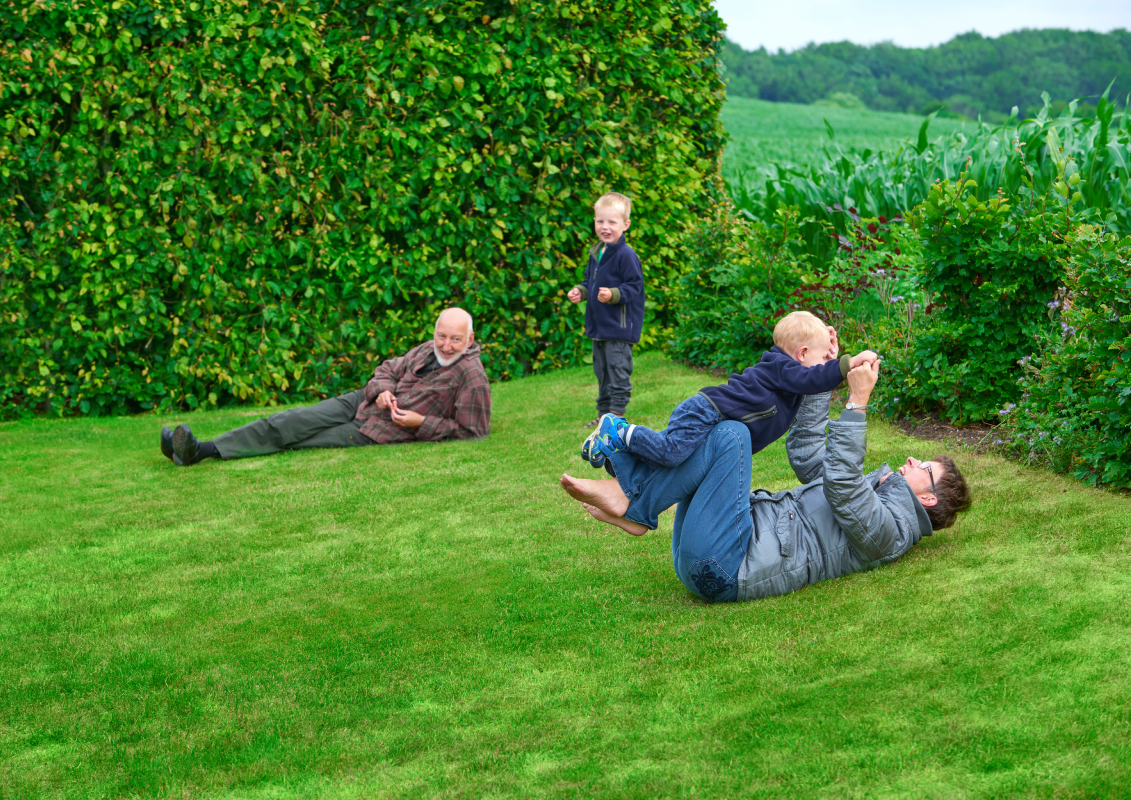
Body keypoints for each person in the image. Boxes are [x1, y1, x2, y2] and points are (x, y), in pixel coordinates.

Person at [560, 359, 972, 603]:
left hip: (725, 568)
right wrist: (818, 378)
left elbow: (842, 487)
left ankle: (635, 503)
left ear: (929, 499)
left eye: (927, 468)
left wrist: (857, 402)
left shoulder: (892, 534)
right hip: (716, 549)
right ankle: (635, 504)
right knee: (724, 433)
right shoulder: (875, 495)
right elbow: (810, 457)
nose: (914, 459)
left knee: (733, 436)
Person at [160, 307, 491, 466]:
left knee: (299, 440)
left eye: (455, 339)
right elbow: (387, 368)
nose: (446, 346)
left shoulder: (471, 377)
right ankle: (195, 449)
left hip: (379, 432)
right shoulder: (425, 348)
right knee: (290, 420)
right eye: (441, 336)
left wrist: (421, 424)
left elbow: (473, 431)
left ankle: (196, 451)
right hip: (360, 402)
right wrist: (382, 390)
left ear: (470, 339)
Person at [581, 310, 879, 468]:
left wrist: (826, 358)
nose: (822, 363)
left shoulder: (789, 376)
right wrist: (847, 363)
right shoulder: (782, 368)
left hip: (712, 417)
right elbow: (812, 379)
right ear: (801, 354)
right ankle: (618, 429)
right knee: (672, 453)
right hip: (705, 411)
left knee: (678, 463)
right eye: (819, 357)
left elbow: (812, 384)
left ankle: (614, 455)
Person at [567, 192, 644, 428]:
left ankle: (617, 416)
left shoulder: (626, 255)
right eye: (600, 221)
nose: (605, 227)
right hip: (599, 327)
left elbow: (635, 287)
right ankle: (603, 416)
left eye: (612, 222)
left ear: (625, 224)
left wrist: (613, 294)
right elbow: (590, 280)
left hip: (618, 327)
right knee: (602, 372)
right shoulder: (597, 252)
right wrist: (581, 291)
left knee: (618, 371)